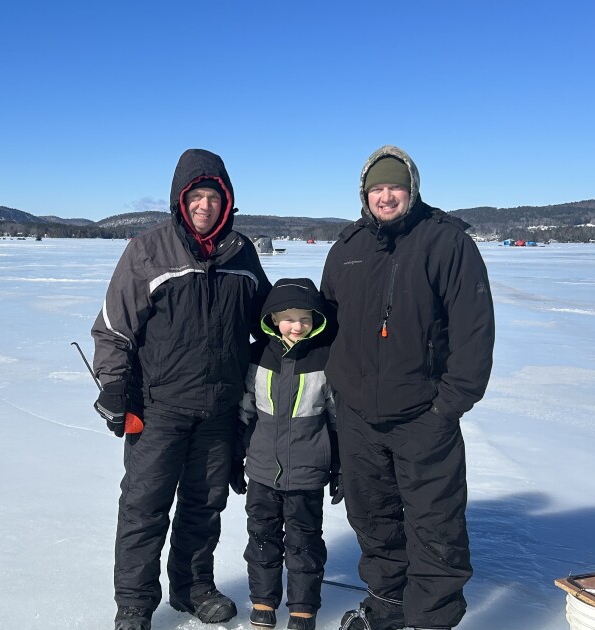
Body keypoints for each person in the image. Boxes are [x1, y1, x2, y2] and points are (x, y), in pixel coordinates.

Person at [91, 148, 270, 630]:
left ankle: (192, 588)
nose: (204, 205)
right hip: (157, 408)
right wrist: (112, 386)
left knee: (204, 505)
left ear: (226, 202)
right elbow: (112, 329)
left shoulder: (242, 254)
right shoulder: (148, 251)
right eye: (197, 196)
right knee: (144, 507)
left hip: (218, 409)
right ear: (180, 199)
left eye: (213, 197)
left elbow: (267, 323)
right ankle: (133, 605)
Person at [321, 146, 495, 630]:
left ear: (411, 189)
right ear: (364, 194)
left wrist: (449, 405)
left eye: (394, 186)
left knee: (434, 524)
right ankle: (386, 609)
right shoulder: (347, 248)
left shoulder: (446, 243)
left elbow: (474, 330)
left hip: (424, 415)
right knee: (373, 519)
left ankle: (430, 621)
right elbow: (326, 322)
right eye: (376, 188)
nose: (386, 196)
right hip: (357, 415)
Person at [233, 277, 342, 630]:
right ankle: (263, 603)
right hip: (263, 469)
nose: (297, 326)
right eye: (289, 318)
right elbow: (244, 410)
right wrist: (236, 456)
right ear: (273, 319)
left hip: (307, 472)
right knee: (262, 541)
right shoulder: (257, 356)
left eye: (305, 318)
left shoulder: (325, 358)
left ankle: (302, 610)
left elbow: (338, 418)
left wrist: (340, 466)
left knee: (304, 544)